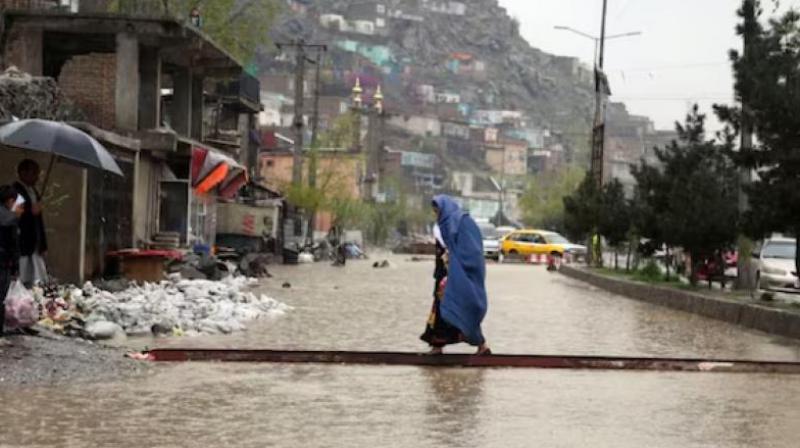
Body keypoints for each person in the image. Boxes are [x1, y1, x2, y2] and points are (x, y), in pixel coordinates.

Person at [421, 195, 491, 355]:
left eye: (437, 210)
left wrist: (454, 260)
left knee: (463, 308)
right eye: (434, 211)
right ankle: (437, 346)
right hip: (443, 275)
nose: (436, 213)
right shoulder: (441, 226)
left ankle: (482, 345)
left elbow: (472, 250)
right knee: (441, 310)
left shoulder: (462, 223)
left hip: (457, 275)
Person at [14, 159, 48, 287]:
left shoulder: (34, 192)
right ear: (23, 173)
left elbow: (39, 221)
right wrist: (29, 211)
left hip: (35, 243)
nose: (37, 178)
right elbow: (14, 215)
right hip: (22, 243)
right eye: (34, 173)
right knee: (22, 279)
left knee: (37, 281)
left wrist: (43, 245)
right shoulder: (15, 191)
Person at [0, 185, 22, 336]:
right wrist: (15, 268)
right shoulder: (10, 219)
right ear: (10, 201)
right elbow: (13, 245)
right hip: (3, 262)